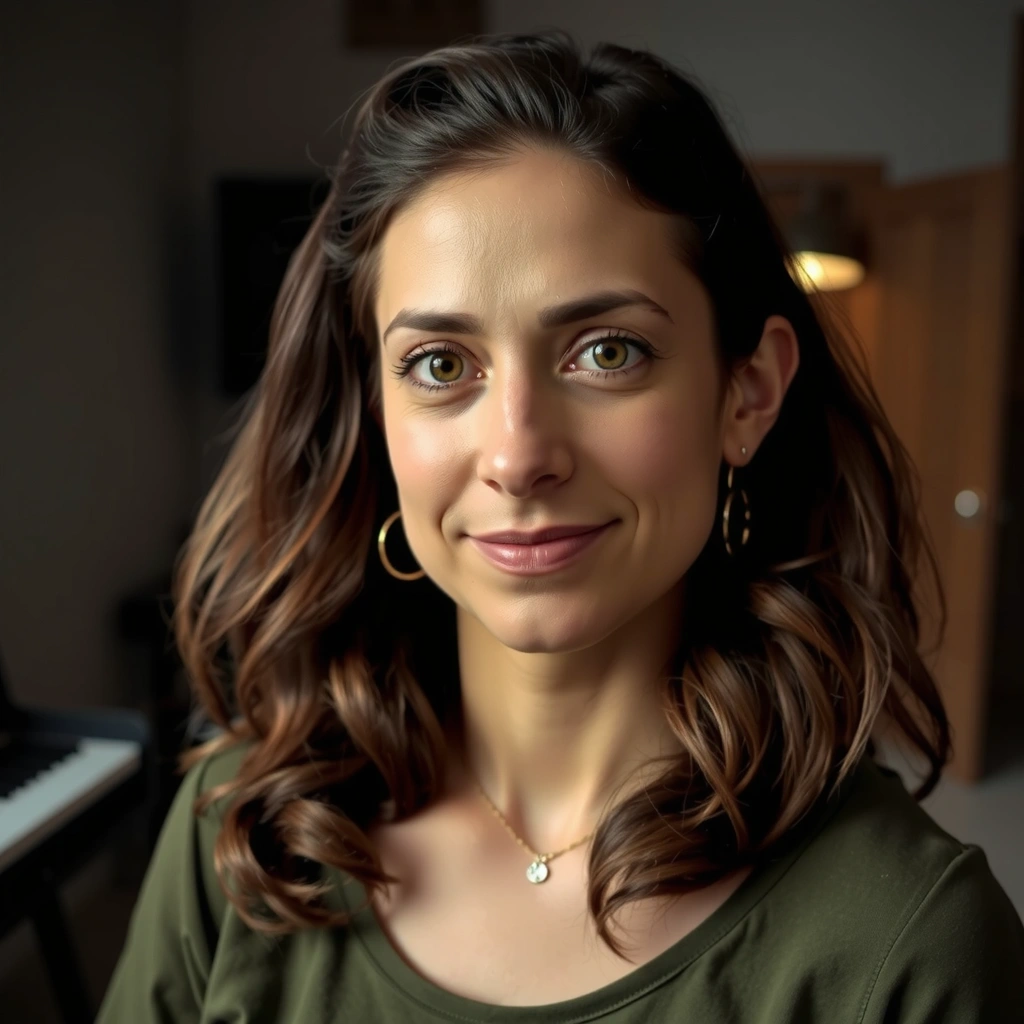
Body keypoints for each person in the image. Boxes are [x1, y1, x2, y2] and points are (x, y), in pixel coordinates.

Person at [97, 28, 1024, 1023]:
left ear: (747, 393)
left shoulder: (910, 942)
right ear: (377, 415)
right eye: (441, 366)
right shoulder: (245, 834)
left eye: (606, 352)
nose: (516, 454)